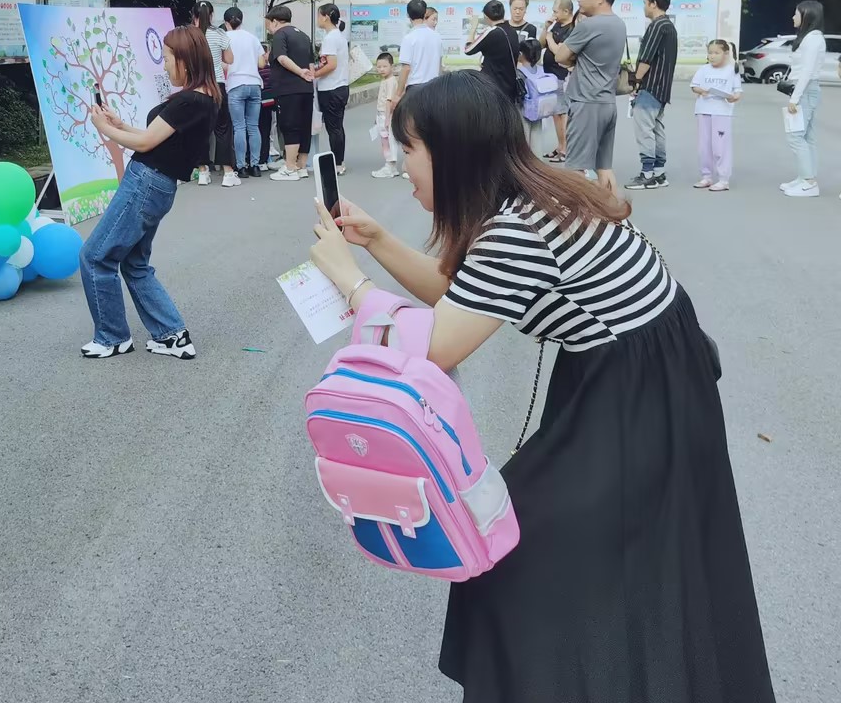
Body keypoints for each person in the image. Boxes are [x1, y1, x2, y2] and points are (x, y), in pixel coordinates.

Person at [306, 72, 776, 703]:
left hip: (634, 395)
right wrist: (377, 242)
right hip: (641, 378)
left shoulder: (516, 232)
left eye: (407, 148)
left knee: (514, 549)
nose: (400, 161)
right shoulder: (530, 199)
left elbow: (434, 349)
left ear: (450, 152)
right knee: (618, 558)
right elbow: (458, 298)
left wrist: (349, 280)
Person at [80, 27, 218, 360]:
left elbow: (145, 143)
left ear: (185, 60)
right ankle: (171, 335)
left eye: (168, 58)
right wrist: (119, 125)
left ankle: (112, 337)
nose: (165, 65)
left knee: (95, 256)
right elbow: (157, 137)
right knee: (134, 262)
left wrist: (104, 129)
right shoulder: (205, 98)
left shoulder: (189, 100)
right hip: (157, 185)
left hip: (145, 182)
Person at [546, 0, 626, 196]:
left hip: (586, 103)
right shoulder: (619, 24)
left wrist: (572, 57)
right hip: (607, 103)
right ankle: (611, 209)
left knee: (576, 170)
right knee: (604, 168)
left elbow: (560, 56)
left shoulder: (589, 26)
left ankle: (579, 214)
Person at [625, 0, 679, 191]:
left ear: (653, 3)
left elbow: (646, 57)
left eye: (645, 2)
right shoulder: (669, 26)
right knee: (656, 128)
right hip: (663, 88)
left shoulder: (657, 26)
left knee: (644, 130)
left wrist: (636, 81)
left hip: (651, 86)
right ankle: (659, 172)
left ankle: (647, 174)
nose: (644, 6)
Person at [264, 5, 315, 182]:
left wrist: (300, 72)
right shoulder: (304, 35)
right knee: (304, 126)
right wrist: (308, 76)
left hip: (288, 89)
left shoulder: (280, 34)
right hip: (306, 88)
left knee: (289, 125)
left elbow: (282, 58)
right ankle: (301, 166)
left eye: (268, 24)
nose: (269, 29)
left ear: (275, 21)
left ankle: (290, 167)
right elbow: (311, 63)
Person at [782, 0, 827, 198]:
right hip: (807, 90)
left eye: (796, 13)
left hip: (806, 90)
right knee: (807, 136)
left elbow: (806, 72)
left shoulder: (812, 39)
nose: (793, 17)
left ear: (807, 15)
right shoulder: (811, 37)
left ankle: (809, 182)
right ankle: (804, 177)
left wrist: (795, 98)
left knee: (795, 136)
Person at [193, 1, 237, 187]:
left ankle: (203, 171)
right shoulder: (219, 33)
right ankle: (228, 173)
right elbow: (230, 59)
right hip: (217, 84)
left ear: (194, 15)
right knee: (223, 128)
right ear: (211, 15)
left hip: (196, 86)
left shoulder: (190, 34)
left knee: (199, 129)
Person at [691, 40, 743, 191]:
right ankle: (706, 176)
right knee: (704, 146)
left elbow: (737, 92)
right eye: (710, 53)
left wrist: (733, 97)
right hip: (703, 110)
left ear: (725, 54)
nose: (712, 56)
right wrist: (702, 91)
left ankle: (723, 179)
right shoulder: (703, 69)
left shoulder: (732, 71)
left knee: (720, 146)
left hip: (722, 112)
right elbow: (694, 86)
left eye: (716, 53)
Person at [223, 7, 265, 177]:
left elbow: (223, 64)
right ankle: (255, 166)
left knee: (239, 127)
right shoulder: (252, 38)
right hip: (254, 84)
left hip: (235, 84)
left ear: (226, 23)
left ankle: (241, 167)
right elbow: (262, 63)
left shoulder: (224, 37)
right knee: (253, 127)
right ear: (241, 20)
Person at [314, 3, 352, 174]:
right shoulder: (339, 36)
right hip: (340, 86)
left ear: (326, 17)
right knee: (336, 126)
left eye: (319, 15)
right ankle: (339, 161)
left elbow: (331, 65)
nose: (317, 19)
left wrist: (314, 74)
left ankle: (338, 163)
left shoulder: (330, 38)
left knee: (334, 128)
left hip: (331, 88)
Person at [463, 0, 521, 104]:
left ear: (486, 16)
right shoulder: (512, 32)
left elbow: (468, 50)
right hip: (510, 87)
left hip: (492, 87)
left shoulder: (491, 32)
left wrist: (473, 28)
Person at [540, 0, 576, 162]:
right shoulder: (556, 25)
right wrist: (546, 28)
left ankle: (565, 149)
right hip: (550, 74)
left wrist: (550, 38)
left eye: (556, 11)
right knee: (555, 113)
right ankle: (560, 145)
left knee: (561, 112)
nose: (553, 14)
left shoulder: (572, 29)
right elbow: (541, 44)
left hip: (561, 74)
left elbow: (560, 52)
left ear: (566, 11)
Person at [397, 0, 443, 94]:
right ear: (424, 14)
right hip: (434, 88)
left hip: (415, 90)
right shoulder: (437, 37)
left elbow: (406, 68)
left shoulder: (408, 38)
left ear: (408, 15)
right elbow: (439, 65)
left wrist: (398, 94)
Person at [370, 51, 401, 178]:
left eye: (384, 66)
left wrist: (387, 119)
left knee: (388, 140)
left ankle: (390, 166)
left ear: (391, 67)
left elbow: (389, 101)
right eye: (379, 67)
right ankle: (390, 166)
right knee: (385, 140)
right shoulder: (385, 80)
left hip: (386, 115)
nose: (381, 69)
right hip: (382, 115)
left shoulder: (390, 82)